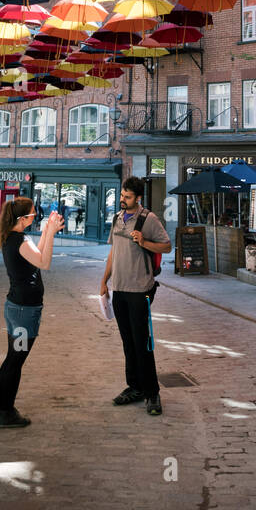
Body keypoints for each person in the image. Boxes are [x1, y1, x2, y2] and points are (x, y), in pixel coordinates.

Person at [100, 175, 171, 416]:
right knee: (128, 343)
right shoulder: (117, 218)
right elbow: (113, 252)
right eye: (122, 195)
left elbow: (167, 246)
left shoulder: (148, 219)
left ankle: (152, 392)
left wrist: (144, 242)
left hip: (140, 290)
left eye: (127, 197)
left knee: (142, 343)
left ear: (138, 198)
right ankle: (134, 387)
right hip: (119, 289)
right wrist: (104, 281)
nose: (123, 199)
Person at [0, 197, 63, 427]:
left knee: (12, 358)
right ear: (22, 219)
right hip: (24, 311)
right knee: (15, 360)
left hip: (17, 307)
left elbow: (37, 255)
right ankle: (6, 412)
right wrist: (51, 233)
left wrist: (46, 232)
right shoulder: (19, 241)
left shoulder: (15, 238)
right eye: (33, 214)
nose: (36, 216)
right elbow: (44, 262)